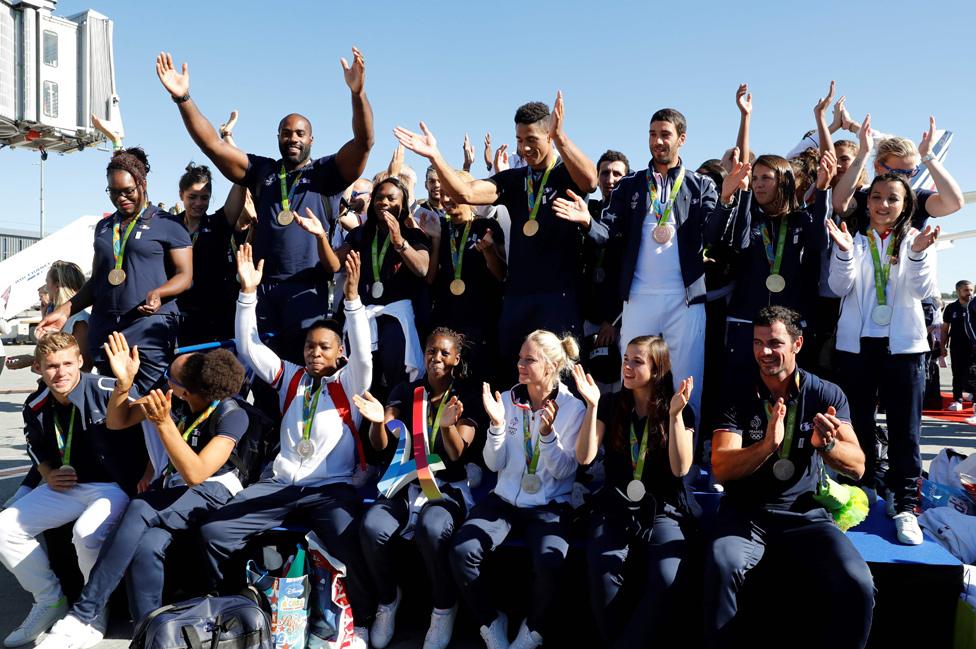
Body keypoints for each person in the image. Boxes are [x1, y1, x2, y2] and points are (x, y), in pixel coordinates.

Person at [197, 244, 373, 647]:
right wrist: (247, 294)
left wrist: (352, 301)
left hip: (330, 489)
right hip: (281, 486)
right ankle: (234, 611)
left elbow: (363, 355)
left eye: (325, 346)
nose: (315, 352)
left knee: (355, 541)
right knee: (214, 531)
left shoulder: (350, 383)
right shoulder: (291, 377)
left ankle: (361, 618)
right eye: (311, 346)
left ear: (339, 351)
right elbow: (249, 348)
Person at [155, 48, 373, 363]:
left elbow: (364, 143)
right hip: (261, 286)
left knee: (304, 368)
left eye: (300, 133)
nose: (293, 138)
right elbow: (213, 146)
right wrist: (183, 98)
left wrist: (358, 93)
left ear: (312, 139)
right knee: (260, 371)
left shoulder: (325, 173)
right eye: (286, 133)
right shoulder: (263, 172)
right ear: (278, 138)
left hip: (306, 289)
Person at [36, 334, 249, 649]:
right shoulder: (175, 398)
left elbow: (196, 473)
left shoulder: (232, 414)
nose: (164, 383)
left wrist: (163, 424)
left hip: (215, 493)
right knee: (145, 543)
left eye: (170, 379)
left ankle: (83, 613)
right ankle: (147, 631)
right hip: (178, 493)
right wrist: (123, 383)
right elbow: (116, 421)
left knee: (139, 508)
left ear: (188, 389)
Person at [395, 93, 601, 372]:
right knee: (513, 368)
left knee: (560, 372)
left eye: (531, 140)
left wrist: (562, 138)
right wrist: (435, 155)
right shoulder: (515, 180)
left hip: (558, 293)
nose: (524, 148)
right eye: (519, 140)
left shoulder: (566, 173)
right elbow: (465, 192)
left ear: (549, 136)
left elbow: (590, 181)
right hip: (518, 293)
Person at [706, 306, 874, 648]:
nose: (764, 352)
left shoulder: (825, 394)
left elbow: (858, 465)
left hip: (806, 515)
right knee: (721, 567)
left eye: (774, 343)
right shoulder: (737, 389)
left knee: (859, 582)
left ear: (798, 344)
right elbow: (722, 467)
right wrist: (768, 445)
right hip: (745, 514)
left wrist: (827, 446)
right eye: (757, 342)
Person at [558, 108, 740, 421]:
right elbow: (609, 236)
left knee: (687, 382)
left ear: (681, 139)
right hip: (639, 298)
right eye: (652, 134)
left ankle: (685, 465)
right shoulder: (630, 184)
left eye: (665, 134)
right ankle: (630, 454)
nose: (657, 141)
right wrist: (588, 221)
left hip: (686, 300)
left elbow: (713, 235)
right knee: (633, 378)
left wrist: (725, 201)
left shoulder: (701, 185)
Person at [0, 333, 144, 648]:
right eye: (51, 366)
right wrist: (48, 473)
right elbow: (34, 446)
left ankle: (94, 612)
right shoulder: (36, 404)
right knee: (4, 528)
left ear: (80, 361)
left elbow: (154, 425)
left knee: (86, 533)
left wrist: (149, 474)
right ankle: (50, 601)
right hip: (68, 486)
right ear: (37, 367)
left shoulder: (108, 389)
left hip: (114, 486)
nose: (61, 372)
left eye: (67, 363)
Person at [450, 330, 586, 649]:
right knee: (462, 550)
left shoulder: (572, 408)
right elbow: (494, 464)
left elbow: (566, 470)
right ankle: (489, 620)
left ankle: (535, 628)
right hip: (505, 498)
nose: (520, 365)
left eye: (529, 359)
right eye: (519, 358)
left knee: (550, 561)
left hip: (550, 504)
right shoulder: (508, 399)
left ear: (552, 365)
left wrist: (548, 436)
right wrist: (496, 427)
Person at [827, 174, 940, 545]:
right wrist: (843, 253)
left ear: (905, 204)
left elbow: (922, 290)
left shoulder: (915, 240)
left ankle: (906, 505)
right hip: (856, 348)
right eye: (876, 197)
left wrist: (919, 253)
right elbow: (838, 287)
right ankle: (861, 493)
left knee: (905, 431)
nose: (883, 204)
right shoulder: (853, 240)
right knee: (855, 425)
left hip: (904, 349)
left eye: (892, 198)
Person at [355, 328, 480, 649]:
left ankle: (443, 607)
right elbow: (381, 444)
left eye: (444, 353)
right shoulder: (406, 389)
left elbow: (457, 453)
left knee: (433, 527)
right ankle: (387, 600)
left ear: (456, 358)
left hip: (447, 486)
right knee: (372, 525)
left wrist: (450, 425)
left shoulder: (465, 394)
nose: (436, 358)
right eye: (430, 352)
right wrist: (377, 421)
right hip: (406, 484)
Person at [36, 148, 193, 394]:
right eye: (114, 192)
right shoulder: (104, 227)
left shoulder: (168, 224)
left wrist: (160, 293)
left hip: (149, 328)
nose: (121, 198)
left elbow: (185, 276)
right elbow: (98, 280)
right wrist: (64, 311)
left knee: (150, 404)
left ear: (143, 184)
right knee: (113, 406)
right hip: (106, 329)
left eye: (128, 191)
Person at [580, 336, 699, 648]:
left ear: (657, 369)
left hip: (662, 509)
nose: (627, 367)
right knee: (603, 572)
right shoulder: (609, 403)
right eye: (626, 359)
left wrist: (674, 417)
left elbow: (680, 468)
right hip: (615, 506)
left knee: (666, 577)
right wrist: (592, 406)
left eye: (637, 361)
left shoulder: (679, 406)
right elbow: (584, 457)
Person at [724, 151, 834, 375]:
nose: (758, 184)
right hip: (746, 321)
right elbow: (740, 243)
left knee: (786, 391)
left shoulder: (800, 219)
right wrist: (744, 194)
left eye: (766, 178)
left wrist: (822, 190)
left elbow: (820, 242)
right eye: (755, 178)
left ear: (783, 181)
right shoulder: (748, 216)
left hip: (788, 324)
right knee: (741, 390)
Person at [336, 177, 430, 396]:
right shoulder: (361, 234)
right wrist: (320, 235)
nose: (384, 202)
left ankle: (396, 424)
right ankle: (365, 427)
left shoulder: (412, 234)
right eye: (379, 197)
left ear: (403, 203)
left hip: (397, 320)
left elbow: (423, 268)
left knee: (397, 379)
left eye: (391, 198)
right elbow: (333, 262)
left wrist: (399, 242)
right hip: (364, 317)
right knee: (364, 382)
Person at [418, 171, 506, 380]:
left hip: (479, 318)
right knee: (445, 378)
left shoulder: (487, 226)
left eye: (452, 194)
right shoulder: (440, 227)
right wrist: (437, 240)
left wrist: (488, 251)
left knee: (477, 377)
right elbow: (430, 278)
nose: (446, 199)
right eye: (444, 194)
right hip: (446, 317)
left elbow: (501, 275)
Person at [832, 114, 965, 232]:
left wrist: (928, 156)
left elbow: (954, 203)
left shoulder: (917, 200)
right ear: (877, 166)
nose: (903, 178)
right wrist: (864, 152)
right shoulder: (862, 197)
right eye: (896, 172)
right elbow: (838, 205)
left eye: (910, 172)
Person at [175, 163, 250, 346]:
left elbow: (241, 178)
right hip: (177, 315)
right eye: (192, 197)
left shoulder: (218, 224)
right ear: (181, 195)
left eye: (204, 198)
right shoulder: (169, 226)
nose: (198, 203)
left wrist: (228, 145)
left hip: (213, 318)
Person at [580, 150, 630, 373]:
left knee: (616, 381)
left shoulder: (633, 216)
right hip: (586, 314)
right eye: (605, 173)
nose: (610, 180)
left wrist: (614, 320)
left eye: (617, 174)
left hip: (618, 317)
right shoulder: (587, 210)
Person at [9, 262, 91, 372]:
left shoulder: (78, 320)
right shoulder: (61, 317)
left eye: (47, 283)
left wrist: (32, 360)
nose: (46, 288)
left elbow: (83, 367)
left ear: (57, 286)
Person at [942, 280, 976, 411]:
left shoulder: (974, 306)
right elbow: (945, 329)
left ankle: (974, 401)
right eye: (966, 290)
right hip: (957, 346)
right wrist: (942, 348)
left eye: (971, 290)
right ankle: (957, 400)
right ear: (958, 291)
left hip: (973, 346)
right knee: (957, 373)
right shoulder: (951, 308)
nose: (969, 293)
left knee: (973, 374)